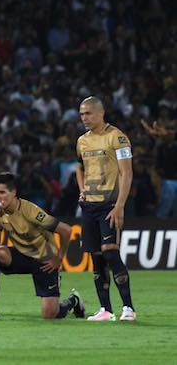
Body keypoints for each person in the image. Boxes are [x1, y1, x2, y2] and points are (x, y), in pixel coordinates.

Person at [0, 172, 84, 320]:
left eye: (2, 192)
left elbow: (66, 230)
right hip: (22, 256)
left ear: (13, 193)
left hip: (44, 260)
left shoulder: (30, 211)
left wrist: (58, 258)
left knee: (49, 314)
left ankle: (73, 300)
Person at [76, 96, 135, 321]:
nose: (84, 118)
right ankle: (105, 310)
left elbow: (127, 173)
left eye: (88, 113)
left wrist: (120, 205)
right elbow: (79, 168)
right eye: (82, 114)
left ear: (101, 113)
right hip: (89, 206)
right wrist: (82, 189)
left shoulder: (117, 137)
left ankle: (128, 307)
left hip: (109, 204)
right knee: (97, 257)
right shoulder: (82, 141)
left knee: (110, 252)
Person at [141, 119, 177, 218]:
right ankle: (159, 224)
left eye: (172, 130)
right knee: (165, 206)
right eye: (168, 130)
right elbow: (157, 164)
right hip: (166, 181)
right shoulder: (161, 147)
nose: (170, 133)